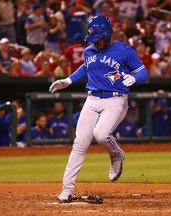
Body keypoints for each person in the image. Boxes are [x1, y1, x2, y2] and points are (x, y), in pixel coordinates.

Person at [49, 16, 149, 203]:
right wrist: (69, 80)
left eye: (98, 37)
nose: (95, 41)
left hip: (115, 100)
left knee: (101, 135)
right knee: (80, 143)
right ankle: (67, 189)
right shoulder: (89, 50)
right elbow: (86, 67)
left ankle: (116, 154)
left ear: (108, 34)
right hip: (92, 99)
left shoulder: (124, 50)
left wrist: (135, 79)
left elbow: (144, 72)